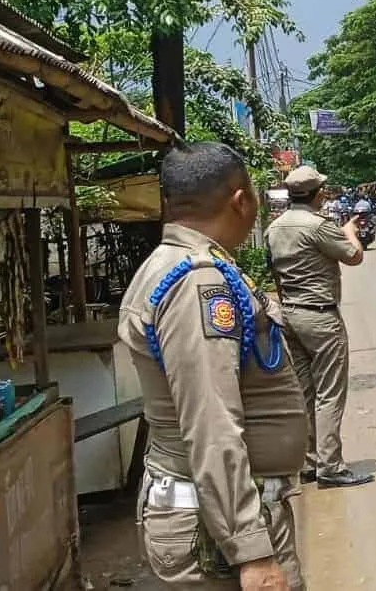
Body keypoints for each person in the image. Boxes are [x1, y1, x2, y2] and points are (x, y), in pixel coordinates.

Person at [116, 142, 306, 590]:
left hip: (216, 516)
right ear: (242, 200)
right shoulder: (198, 282)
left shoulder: (181, 267)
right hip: (215, 528)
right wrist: (252, 550)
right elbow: (211, 422)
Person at [266, 166, 374, 489]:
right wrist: (350, 230)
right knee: (329, 392)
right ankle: (331, 466)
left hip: (290, 314)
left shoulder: (274, 228)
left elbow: (274, 274)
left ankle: (309, 462)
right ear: (316, 194)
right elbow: (354, 256)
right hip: (320, 317)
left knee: (304, 392)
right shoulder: (318, 226)